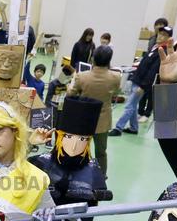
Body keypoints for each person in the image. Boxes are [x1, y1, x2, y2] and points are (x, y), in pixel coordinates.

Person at [68, 45, 121, 175]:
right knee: (101, 152)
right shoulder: (116, 77)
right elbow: (116, 92)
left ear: (93, 58)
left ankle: (77, 174)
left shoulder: (82, 76)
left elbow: (71, 94)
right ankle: (102, 176)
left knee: (79, 149)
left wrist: (72, 81)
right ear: (109, 60)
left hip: (84, 119)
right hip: (103, 121)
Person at [111, 25, 171, 136]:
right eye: (160, 33)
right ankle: (134, 128)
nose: (161, 36)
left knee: (129, 106)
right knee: (133, 106)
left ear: (168, 39)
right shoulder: (154, 47)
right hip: (137, 80)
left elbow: (153, 72)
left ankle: (118, 128)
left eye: (164, 35)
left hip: (141, 84)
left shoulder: (162, 52)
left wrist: (143, 86)